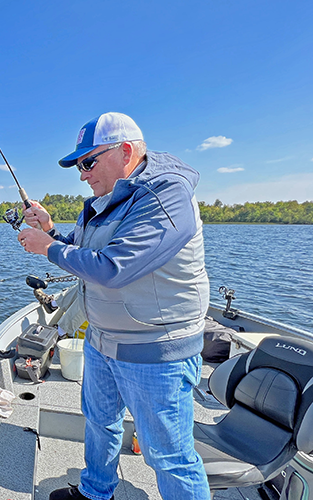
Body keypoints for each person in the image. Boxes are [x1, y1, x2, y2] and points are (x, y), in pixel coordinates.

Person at [17, 112, 210, 500]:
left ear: (125, 152)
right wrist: (53, 230)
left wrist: (48, 248)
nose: (82, 174)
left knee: (168, 456)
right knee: (100, 422)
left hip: (155, 353)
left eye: (88, 162)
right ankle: (95, 492)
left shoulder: (164, 196)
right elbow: (92, 247)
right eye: (78, 165)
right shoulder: (110, 200)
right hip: (104, 341)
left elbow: (113, 267)